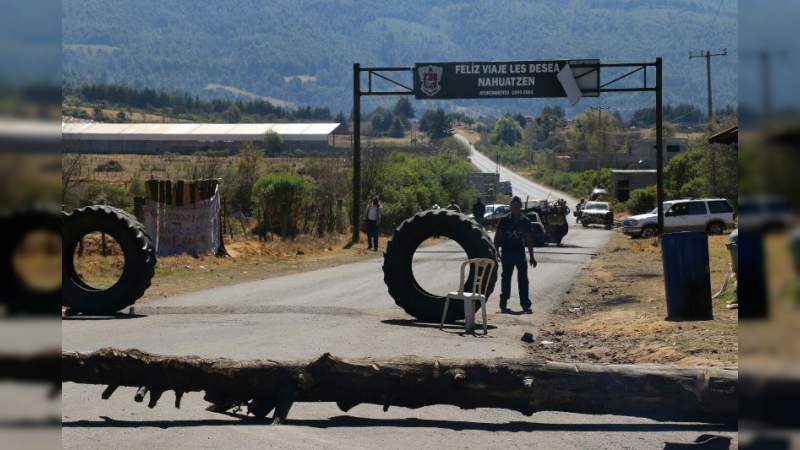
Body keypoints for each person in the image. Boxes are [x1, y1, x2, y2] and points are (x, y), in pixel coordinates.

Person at [493, 196, 537, 314]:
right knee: (506, 278)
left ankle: (525, 304)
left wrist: (532, 257)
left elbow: (528, 240)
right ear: (511, 207)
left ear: (520, 207)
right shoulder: (504, 220)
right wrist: (496, 251)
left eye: (518, 206)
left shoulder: (525, 221)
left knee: (523, 279)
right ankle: (503, 302)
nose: (516, 208)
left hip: (520, 254)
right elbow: (497, 237)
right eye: (514, 206)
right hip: (507, 253)